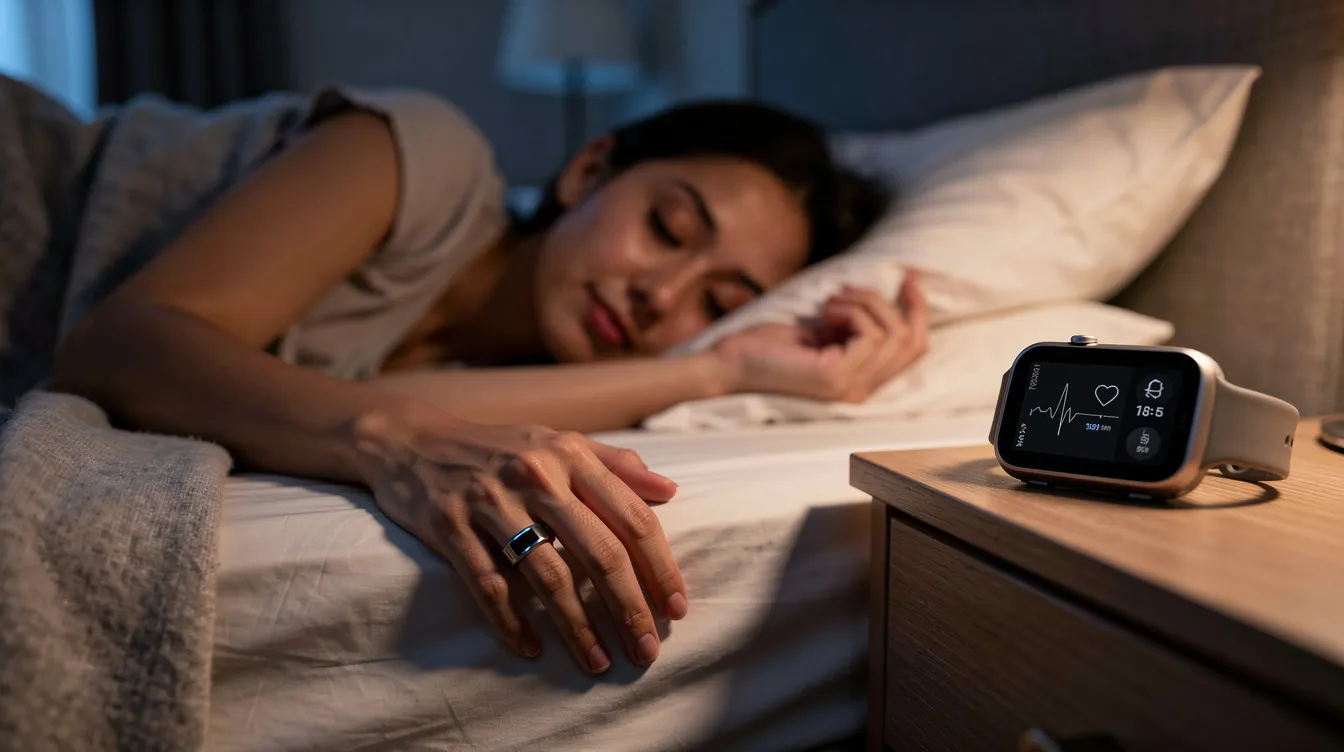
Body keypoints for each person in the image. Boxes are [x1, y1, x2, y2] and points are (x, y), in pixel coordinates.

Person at [51, 88, 929, 676]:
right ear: (590, 169)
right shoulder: (425, 157)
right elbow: (118, 343)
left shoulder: (496, 380)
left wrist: (724, 367)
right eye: (665, 227)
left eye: (719, 300)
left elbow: (378, 402)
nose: (660, 295)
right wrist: (388, 443)